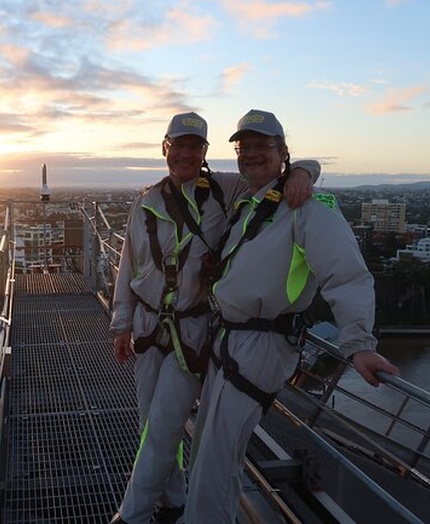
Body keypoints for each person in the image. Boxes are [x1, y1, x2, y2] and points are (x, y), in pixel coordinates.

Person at [183, 109, 399, 524]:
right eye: (243, 147)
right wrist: (304, 168)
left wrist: (359, 344)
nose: (250, 155)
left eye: (262, 146)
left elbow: (347, 275)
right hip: (228, 339)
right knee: (206, 447)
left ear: (282, 152)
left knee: (216, 455)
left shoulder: (308, 208)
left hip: (259, 343)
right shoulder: (247, 200)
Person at [108, 111, 321, 524]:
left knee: (163, 427)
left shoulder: (225, 189)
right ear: (165, 148)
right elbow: (128, 266)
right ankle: (172, 499)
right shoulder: (146, 201)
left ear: (205, 152)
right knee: (149, 422)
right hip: (150, 327)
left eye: (194, 147)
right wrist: (122, 324)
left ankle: (131, 515)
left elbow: (272, 174)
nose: (185, 154)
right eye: (178, 146)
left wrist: (303, 173)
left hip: (193, 329)